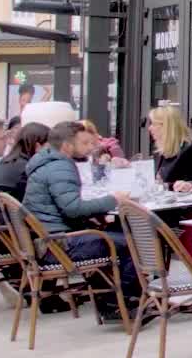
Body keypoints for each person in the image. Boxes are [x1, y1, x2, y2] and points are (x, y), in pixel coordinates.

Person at [21, 120, 141, 319]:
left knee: (113, 235)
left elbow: (66, 208)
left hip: (46, 242)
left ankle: (111, 300)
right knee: (130, 242)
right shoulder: (60, 166)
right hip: (58, 246)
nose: (89, 148)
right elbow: (73, 209)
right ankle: (119, 304)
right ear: (67, 146)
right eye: (84, 143)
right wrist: (114, 200)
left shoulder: (46, 162)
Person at [0, 122, 49, 214]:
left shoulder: (9, 161)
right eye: (48, 147)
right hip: (1, 218)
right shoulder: (26, 168)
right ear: (37, 146)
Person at [146, 105, 192, 191]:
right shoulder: (162, 150)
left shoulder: (191, 151)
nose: (149, 128)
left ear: (167, 126)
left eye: (153, 124)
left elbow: (191, 186)